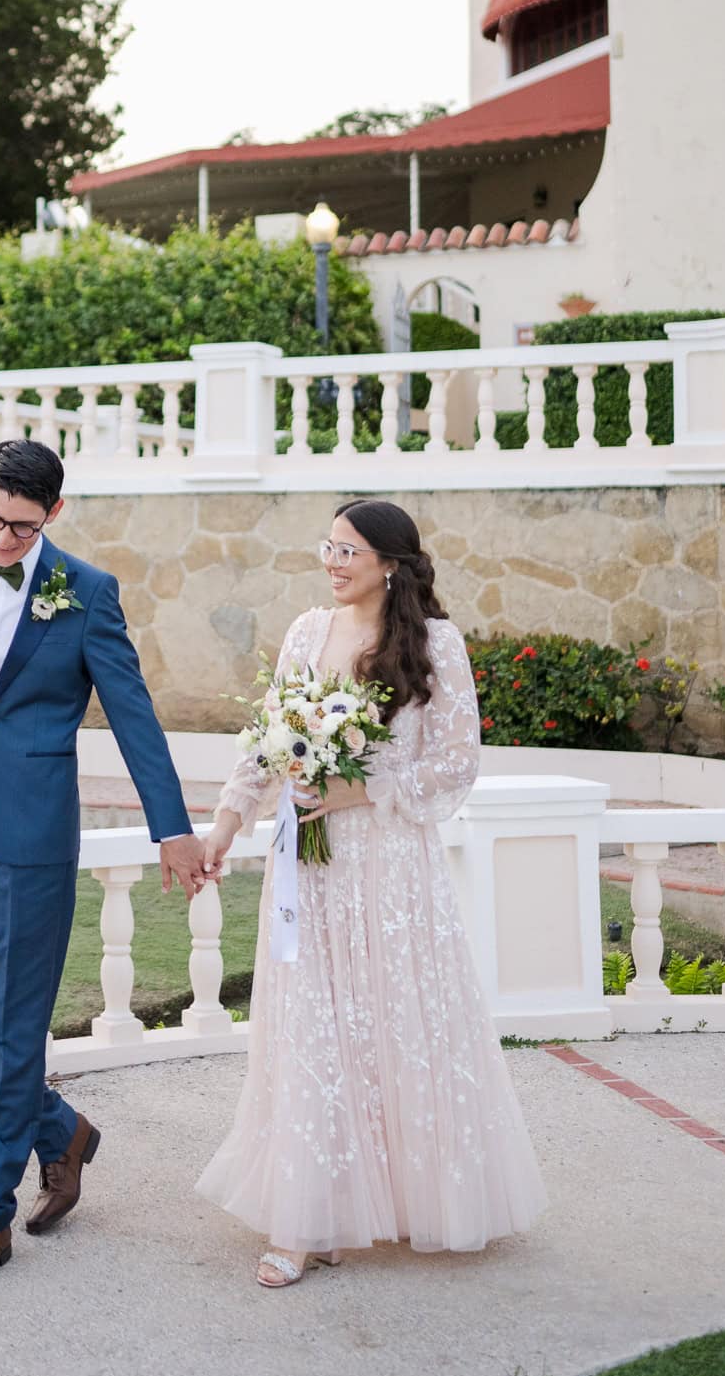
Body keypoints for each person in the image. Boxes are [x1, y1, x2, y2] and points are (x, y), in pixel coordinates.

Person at [0, 435, 208, 1290]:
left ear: (53, 512)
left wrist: (173, 826)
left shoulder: (85, 594)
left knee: (18, 1027)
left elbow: (132, 713)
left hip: (34, 837)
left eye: (20, 528)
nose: (2, 540)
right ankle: (60, 1131)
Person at [195, 497, 546, 1287]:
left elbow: (457, 762)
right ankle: (307, 1220)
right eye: (328, 547)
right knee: (312, 1023)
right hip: (307, 867)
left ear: (390, 562)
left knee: (387, 1018)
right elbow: (266, 741)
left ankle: (402, 1197)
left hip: (388, 868)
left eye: (348, 550)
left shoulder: (436, 642)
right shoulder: (304, 633)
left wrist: (361, 791)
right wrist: (225, 823)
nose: (333, 561)